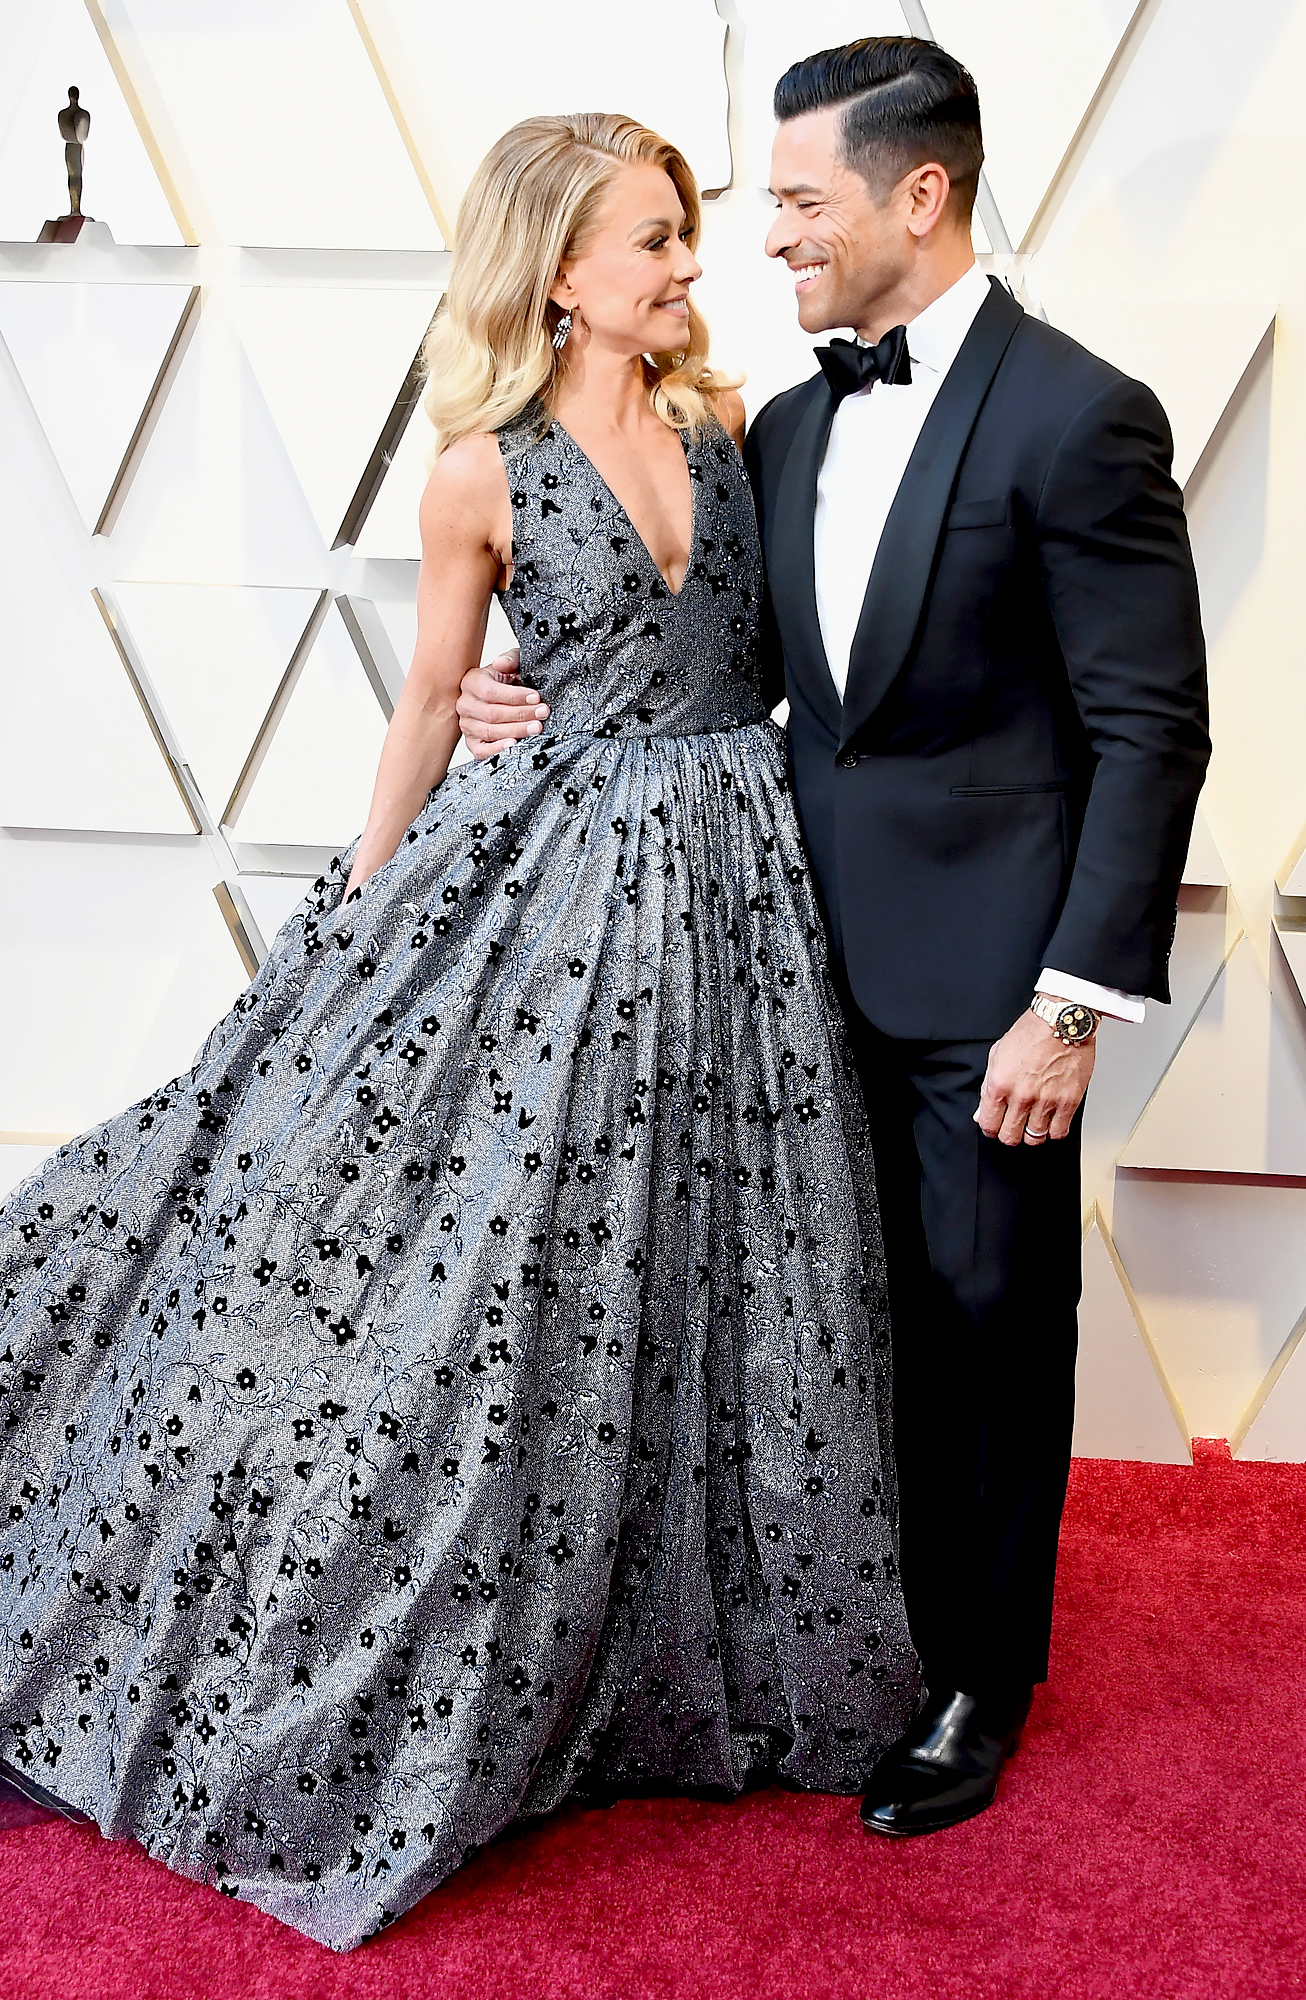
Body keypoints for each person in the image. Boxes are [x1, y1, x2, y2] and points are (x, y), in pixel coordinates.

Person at [0, 114, 920, 1949]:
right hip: (561, 888)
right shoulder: (479, 473)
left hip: (739, 880)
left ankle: (694, 1647)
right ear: (558, 269)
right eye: (651, 239)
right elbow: (431, 701)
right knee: (497, 1269)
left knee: (725, 1267)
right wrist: (364, 910)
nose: (688, 265)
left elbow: (768, 657)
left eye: (687, 233)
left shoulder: (730, 425)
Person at [458, 41, 1211, 1839]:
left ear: (917, 194)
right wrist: (516, 689)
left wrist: (1069, 1006)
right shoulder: (777, 430)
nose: (772, 234)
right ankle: (831, 1635)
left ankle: (978, 1681)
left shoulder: (1080, 415)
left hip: (996, 990)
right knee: (826, 1325)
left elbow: (1151, 730)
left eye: (801, 199)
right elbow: (719, 672)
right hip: (781, 964)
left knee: (988, 1321)